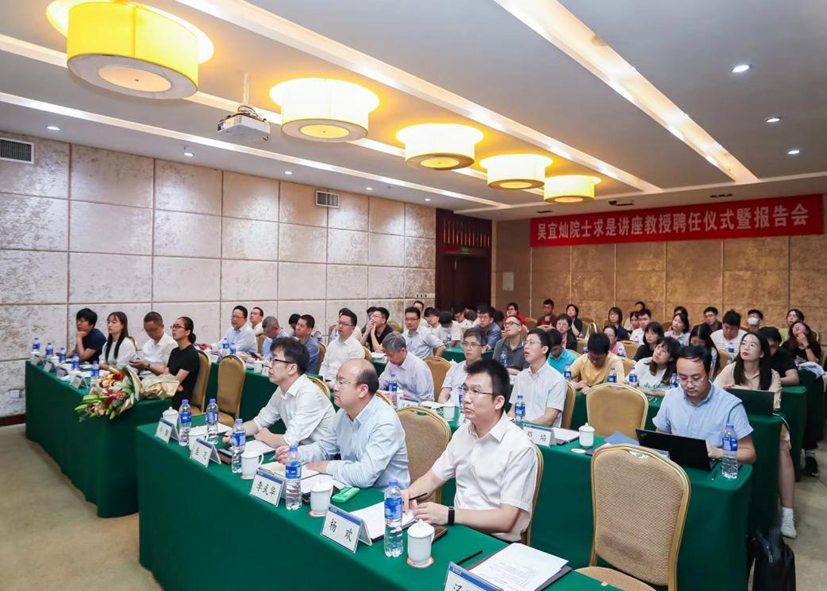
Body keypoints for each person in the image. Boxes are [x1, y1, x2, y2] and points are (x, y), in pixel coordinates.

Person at [402, 359, 538, 542]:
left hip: (495, 541)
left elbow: (506, 519)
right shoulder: (463, 433)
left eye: (476, 392)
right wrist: (409, 494)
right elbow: (433, 478)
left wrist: (450, 514)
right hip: (457, 528)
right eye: (465, 389)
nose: (466, 398)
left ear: (498, 402)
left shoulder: (520, 447)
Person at [278, 359, 410, 490]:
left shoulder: (385, 422)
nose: (335, 387)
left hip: (385, 496)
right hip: (351, 486)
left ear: (363, 390)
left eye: (342, 383)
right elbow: (324, 448)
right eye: (336, 381)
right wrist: (296, 454)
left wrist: (328, 466)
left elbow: (365, 475)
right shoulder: (344, 413)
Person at [714, 332, 796, 538]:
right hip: (732, 425)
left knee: (783, 454)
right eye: (744, 343)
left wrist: (738, 392)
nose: (746, 347)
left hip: (765, 426)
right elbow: (714, 392)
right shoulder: (730, 369)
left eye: (752, 345)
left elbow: (775, 403)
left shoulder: (772, 374)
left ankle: (788, 514)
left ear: (761, 353)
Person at [653, 346, 756, 465]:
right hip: (678, 466)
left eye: (696, 378)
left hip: (714, 467)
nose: (689, 385)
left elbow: (750, 454)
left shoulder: (730, 405)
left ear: (710, 373)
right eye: (683, 378)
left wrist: (719, 452)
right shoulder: (671, 397)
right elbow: (660, 436)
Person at [226, 337, 335, 449]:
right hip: (300, 451)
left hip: (323, 454)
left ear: (292, 368)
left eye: (275, 360)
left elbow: (289, 442)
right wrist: (237, 431)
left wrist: (266, 436)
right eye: (271, 359)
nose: (269, 364)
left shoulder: (309, 394)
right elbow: (259, 422)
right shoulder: (282, 389)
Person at [509, 330, 567, 427]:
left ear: (544, 349)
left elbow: (549, 419)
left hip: (542, 432)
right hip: (519, 430)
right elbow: (512, 411)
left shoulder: (557, 380)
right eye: (526, 342)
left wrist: (524, 428)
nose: (526, 346)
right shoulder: (521, 376)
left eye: (531, 343)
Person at [377, 333, 434, 402]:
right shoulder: (392, 363)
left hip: (416, 405)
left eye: (391, 355)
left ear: (402, 350)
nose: (389, 359)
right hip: (397, 402)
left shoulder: (418, 367)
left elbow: (425, 399)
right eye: (387, 355)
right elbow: (382, 381)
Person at [439, 327, 485, 404]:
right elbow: (443, 396)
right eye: (465, 344)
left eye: (473, 345)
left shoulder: (488, 373)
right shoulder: (455, 368)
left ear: (483, 349)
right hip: (450, 408)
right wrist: (447, 407)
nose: (468, 348)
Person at [163, 317, 200, 410]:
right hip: (168, 392)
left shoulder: (191, 353)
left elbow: (176, 382)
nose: (174, 329)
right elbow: (165, 376)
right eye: (173, 326)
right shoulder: (174, 351)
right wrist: (171, 381)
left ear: (187, 332)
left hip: (180, 399)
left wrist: (173, 382)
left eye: (178, 326)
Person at [320, 309, 366, 381]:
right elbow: (324, 365)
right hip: (325, 382)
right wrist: (321, 381)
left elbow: (351, 375)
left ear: (353, 328)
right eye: (339, 323)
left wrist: (330, 385)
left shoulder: (356, 348)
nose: (340, 326)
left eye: (345, 324)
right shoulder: (332, 344)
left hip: (343, 384)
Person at [129, 312, 176, 376]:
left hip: (158, 380)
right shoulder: (147, 344)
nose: (149, 333)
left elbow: (168, 372)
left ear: (162, 326)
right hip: (142, 377)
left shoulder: (171, 344)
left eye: (152, 330)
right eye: (146, 330)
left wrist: (147, 366)